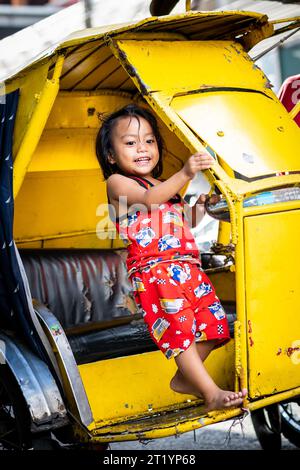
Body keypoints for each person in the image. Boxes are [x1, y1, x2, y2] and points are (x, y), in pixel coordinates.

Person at [96, 104, 247, 412]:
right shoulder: (119, 183)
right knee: (179, 330)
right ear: (111, 156)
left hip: (187, 267)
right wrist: (186, 172)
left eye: (149, 141)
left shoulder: (163, 186)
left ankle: (184, 377)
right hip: (155, 272)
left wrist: (202, 206)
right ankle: (210, 392)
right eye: (130, 142)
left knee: (215, 323)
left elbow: (180, 221)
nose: (143, 148)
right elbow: (151, 201)